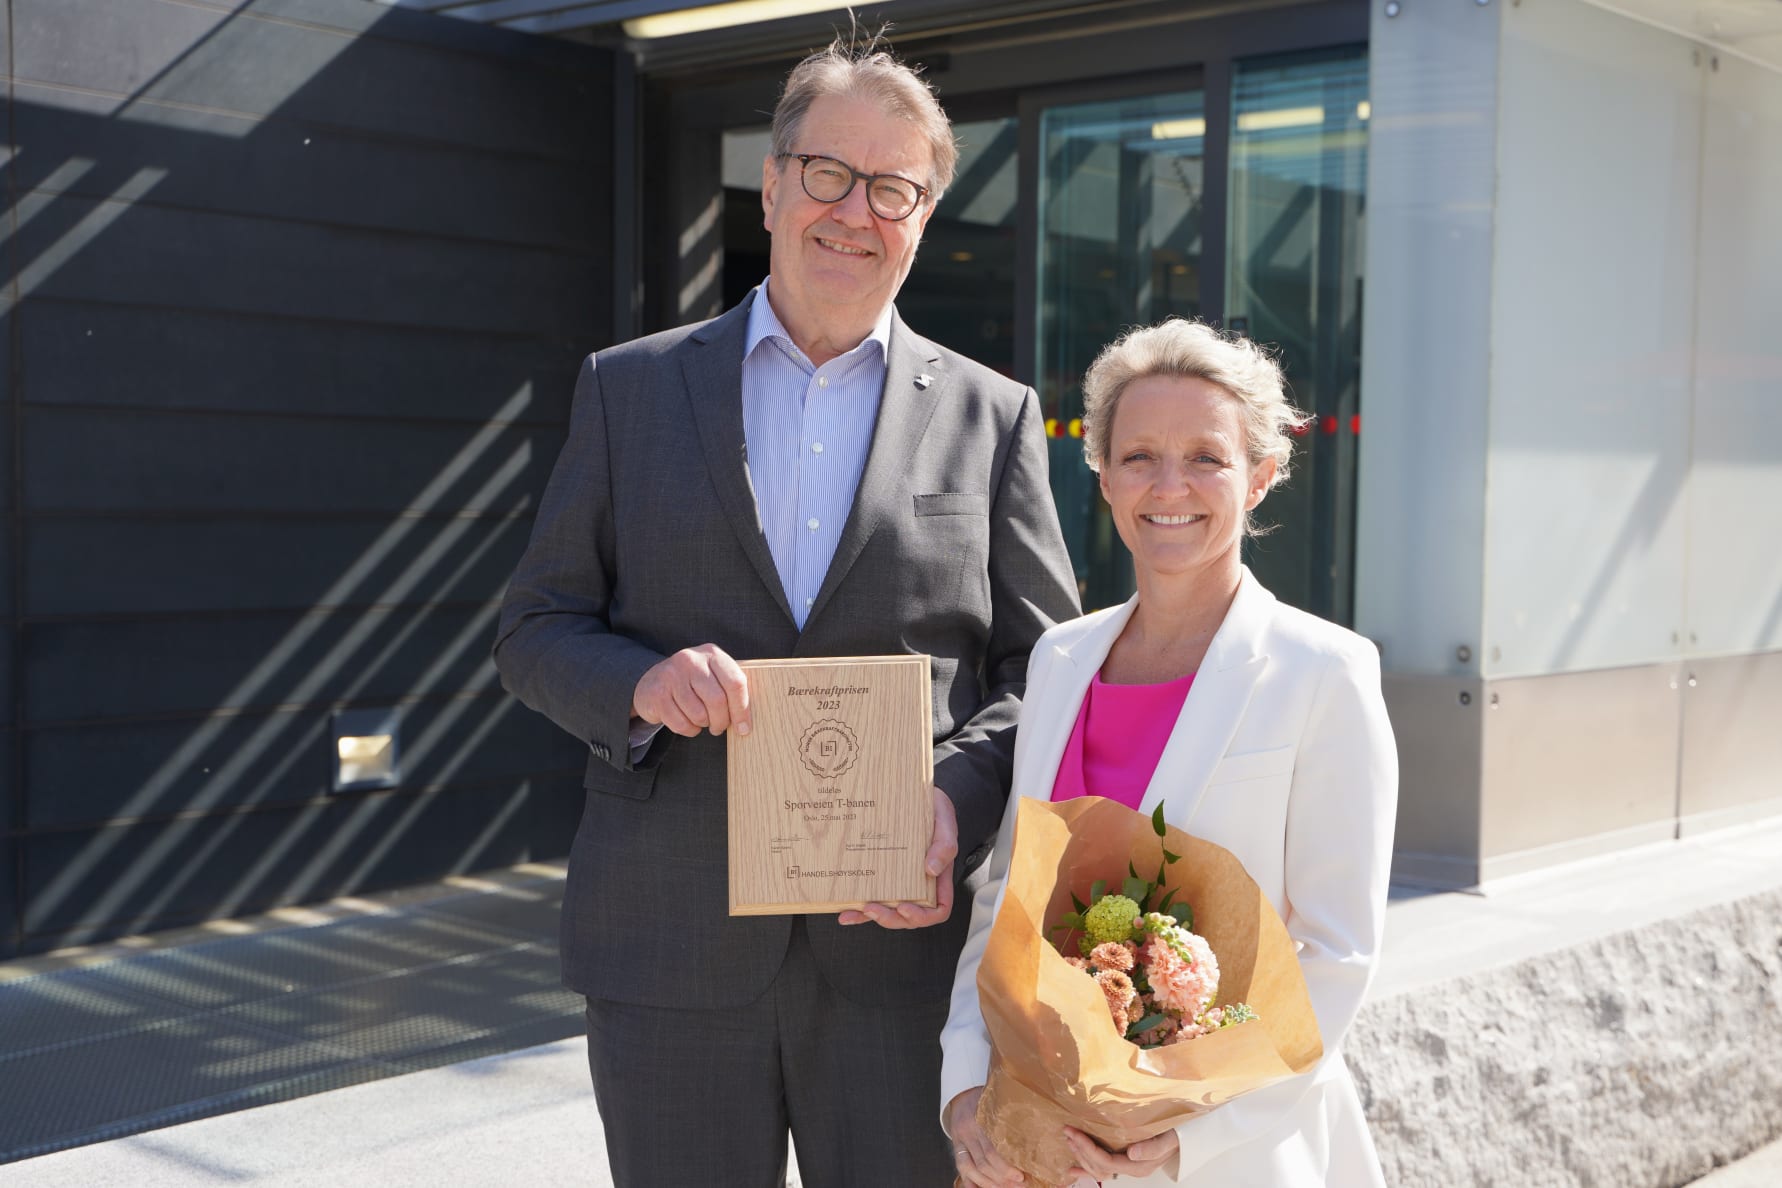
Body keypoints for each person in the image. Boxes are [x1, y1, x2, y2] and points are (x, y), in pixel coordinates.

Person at [493, 33, 1079, 1188]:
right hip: (670, 949)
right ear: (771, 185)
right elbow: (535, 628)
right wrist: (639, 684)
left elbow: (1045, 673)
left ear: (924, 216)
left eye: (893, 188)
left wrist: (954, 802)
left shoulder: (993, 415)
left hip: (902, 960)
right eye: (827, 173)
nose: (855, 211)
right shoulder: (629, 390)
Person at [939, 319, 1398, 1187]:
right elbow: (1005, 906)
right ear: (1104, 475)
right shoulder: (1061, 658)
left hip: (1231, 1159)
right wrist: (965, 1086)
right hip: (1036, 1146)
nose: (1169, 485)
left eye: (1206, 458)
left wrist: (1197, 1138)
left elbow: (1336, 955)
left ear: (1260, 476)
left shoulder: (1324, 672)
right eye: (1140, 456)